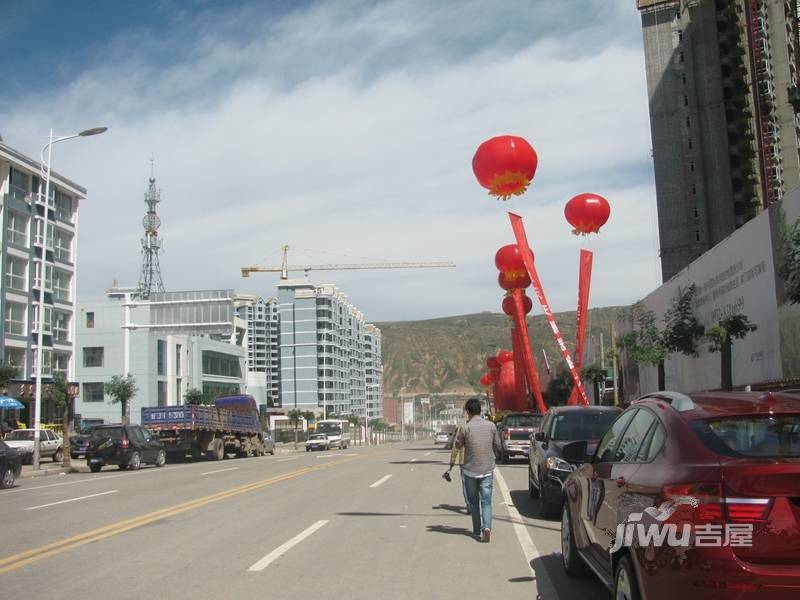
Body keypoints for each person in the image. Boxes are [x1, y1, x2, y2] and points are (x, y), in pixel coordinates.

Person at [452, 398, 501, 543]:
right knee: (486, 501)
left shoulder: (465, 428)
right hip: (487, 470)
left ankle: (476, 529)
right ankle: (487, 528)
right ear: (481, 410)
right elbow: (497, 444)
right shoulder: (491, 426)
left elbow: (458, 445)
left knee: (473, 502)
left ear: (468, 412)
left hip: (470, 471)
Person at [449, 423, 471, 515]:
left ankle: (469, 505)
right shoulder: (482, 426)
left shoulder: (461, 428)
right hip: (477, 461)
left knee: (466, 484)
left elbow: (456, 446)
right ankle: (475, 504)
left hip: (464, 460)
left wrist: (452, 462)